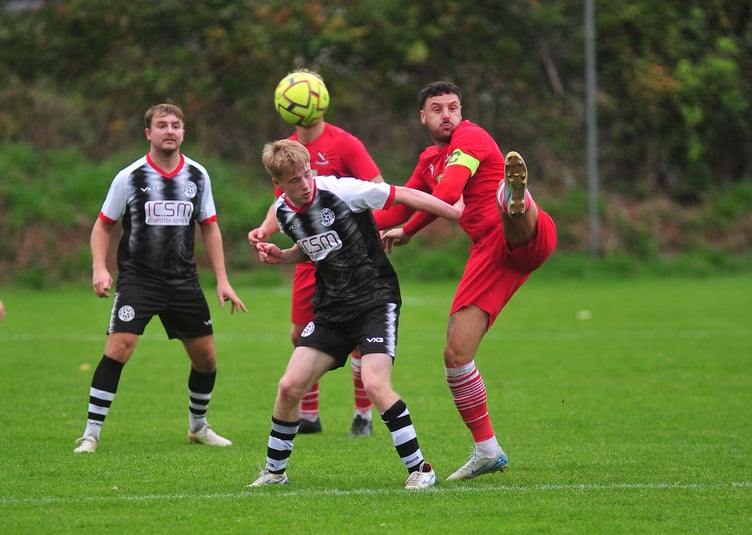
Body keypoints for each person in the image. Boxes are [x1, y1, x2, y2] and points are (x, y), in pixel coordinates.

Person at [247, 139, 462, 489]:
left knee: (375, 383)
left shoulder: (342, 191)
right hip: (332, 309)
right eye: (295, 180)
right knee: (289, 386)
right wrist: (283, 256)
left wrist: (451, 212)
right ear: (279, 184)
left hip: (375, 300)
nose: (305, 184)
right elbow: (314, 246)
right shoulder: (284, 213)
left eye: (306, 175)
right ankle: (274, 473)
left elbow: (401, 194)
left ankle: (421, 470)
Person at [376, 81, 557, 481]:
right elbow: (404, 207)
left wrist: (408, 213)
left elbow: (449, 192)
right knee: (456, 356)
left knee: (509, 213)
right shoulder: (428, 159)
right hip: (489, 255)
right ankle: (487, 450)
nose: (447, 114)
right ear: (422, 116)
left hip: (522, 236)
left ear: (462, 111)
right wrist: (352, 221)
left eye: (453, 107)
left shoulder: (471, 137)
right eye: (437, 108)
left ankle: (516, 198)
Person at [73, 103, 247, 454]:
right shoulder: (130, 177)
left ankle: (198, 426)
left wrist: (223, 280)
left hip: (184, 281)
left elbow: (210, 227)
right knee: (118, 349)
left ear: (184, 133)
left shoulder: (197, 176)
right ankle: (90, 434)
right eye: (162, 125)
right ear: (148, 133)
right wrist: (99, 267)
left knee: (206, 359)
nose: (170, 130)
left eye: (176, 125)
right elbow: (102, 226)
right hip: (139, 280)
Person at [248, 69, 382, 437]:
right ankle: (308, 414)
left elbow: (377, 188)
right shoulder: (287, 149)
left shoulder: (345, 144)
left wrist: (379, 230)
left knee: (358, 338)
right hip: (310, 253)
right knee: (299, 332)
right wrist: (264, 230)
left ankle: (362, 415)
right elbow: (281, 204)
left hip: (350, 258)